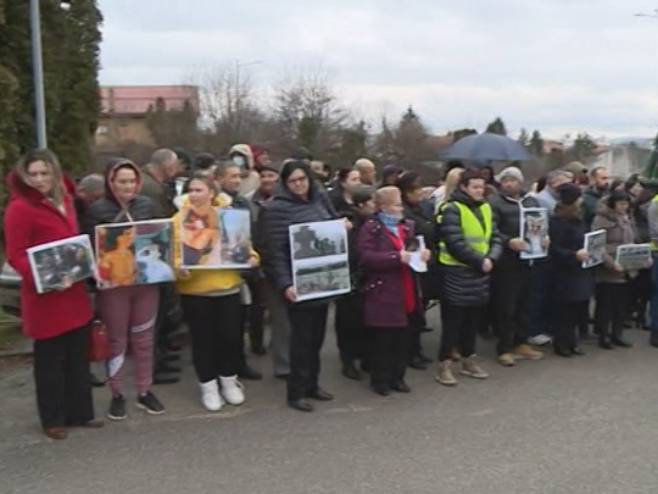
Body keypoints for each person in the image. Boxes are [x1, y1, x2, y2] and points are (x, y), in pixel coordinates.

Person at [4, 149, 101, 440]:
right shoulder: (19, 209)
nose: (38, 179)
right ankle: (53, 419)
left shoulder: (67, 201)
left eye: (44, 173)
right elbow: (16, 254)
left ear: (55, 173)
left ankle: (80, 413)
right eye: (32, 174)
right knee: (50, 363)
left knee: (76, 357)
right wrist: (42, 278)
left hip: (74, 292)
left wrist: (87, 264)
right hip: (45, 296)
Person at [86, 158, 166, 420]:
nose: (128, 186)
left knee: (144, 339)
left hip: (145, 284)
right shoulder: (98, 210)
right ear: (111, 182)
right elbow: (88, 248)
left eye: (132, 180)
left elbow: (162, 239)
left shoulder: (147, 205)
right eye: (122, 181)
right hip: (114, 288)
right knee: (116, 340)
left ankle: (145, 390)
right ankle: (117, 393)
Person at [172, 174, 259, 411]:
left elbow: (246, 247)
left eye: (199, 189)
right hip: (195, 292)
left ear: (211, 192)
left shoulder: (229, 217)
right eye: (190, 189)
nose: (193, 194)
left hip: (228, 288)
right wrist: (179, 268)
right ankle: (208, 386)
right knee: (202, 341)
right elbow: (173, 255)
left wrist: (252, 258)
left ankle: (229, 381)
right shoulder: (178, 220)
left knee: (230, 339)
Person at [261, 160, 337, 412]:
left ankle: (312, 384)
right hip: (298, 281)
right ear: (285, 183)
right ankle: (296, 391)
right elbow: (274, 253)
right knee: (300, 340)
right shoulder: (275, 209)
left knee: (317, 338)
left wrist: (342, 228)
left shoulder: (319, 199)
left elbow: (332, 226)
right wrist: (285, 284)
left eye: (302, 179)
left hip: (324, 278)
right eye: (293, 181)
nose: (299, 185)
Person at [357, 187, 430, 395]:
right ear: (383, 207)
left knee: (403, 337)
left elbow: (413, 249)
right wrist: (395, 258)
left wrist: (423, 254)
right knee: (384, 339)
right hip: (384, 290)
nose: (401, 209)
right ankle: (381, 380)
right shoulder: (371, 228)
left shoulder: (407, 227)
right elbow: (366, 258)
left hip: (407, 286)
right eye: (397, 204)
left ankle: (398, 377)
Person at [435, 169, 503, 386]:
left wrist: (491, 257)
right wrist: (479, 261)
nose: (479, 191)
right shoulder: (451, 209)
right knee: (453, 322)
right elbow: (454, 242)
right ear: (463, 187)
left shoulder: (486, 207)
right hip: (456, 271)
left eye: (482, 187)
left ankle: (468, 359)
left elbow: (495, 237)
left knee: (472, 321)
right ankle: (444, 364)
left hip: (480, 271)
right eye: (474, 187)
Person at [489, 167, 544, 366]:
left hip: (529, 259)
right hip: (507, 262)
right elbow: (491, 230)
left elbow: (540, 223)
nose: (509, 184)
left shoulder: (531, 201)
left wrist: (545, 238)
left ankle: (521, 341)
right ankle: (504, 347)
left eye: (513, 180)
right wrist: (508, 241)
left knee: (526, 303)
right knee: (507, 306)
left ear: (520, 183)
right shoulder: (495, 203)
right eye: (505, 181)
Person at [591, 190, 643, 349]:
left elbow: (633, 239)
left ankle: (617, 333)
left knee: (622, 304)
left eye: (626, 204)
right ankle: (604, 335)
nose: (624, 207)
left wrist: (639, 257)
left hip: (626, 266)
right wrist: (610, 263)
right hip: (610, 267)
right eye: (621, 204)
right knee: (607, 304)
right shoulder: (601, 219)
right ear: (613, 203)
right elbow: (597, 245)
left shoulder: (627, 218)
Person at [329, 169, 367, 379]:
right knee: (347, 316)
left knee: (362, 315)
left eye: (359, 179)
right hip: (344, 265)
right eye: (354, 179)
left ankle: (361, 352)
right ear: (343, 182)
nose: (358, 182)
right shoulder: (333, 202)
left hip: (361, 264)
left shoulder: (362, 201)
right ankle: (347, 358)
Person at [548, 183, 594, 357]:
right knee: (563, 310)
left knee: (576, 309)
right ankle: (561, 343)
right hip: (564, 270)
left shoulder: (579, 219)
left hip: (580, 269)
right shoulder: (557, 221)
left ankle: (572, 341)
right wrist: (573, 255)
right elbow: (555, 248)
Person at [396, 172, 435, 369]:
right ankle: (409, 352)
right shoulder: (404, 212)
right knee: (411, 312)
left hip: (424, 263)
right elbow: (423, 231)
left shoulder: (421, 207)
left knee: (420, 310)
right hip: (411, 266)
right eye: (416, 189)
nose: (420, 192)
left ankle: (416, 350)